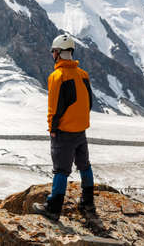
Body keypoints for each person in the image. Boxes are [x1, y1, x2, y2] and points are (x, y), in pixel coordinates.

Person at [33, 33, 95, 221]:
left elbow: (54, 107)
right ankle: (88, 202)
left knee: (61, 170)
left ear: (58, 52)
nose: (53, 54)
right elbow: (89, 102)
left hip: (64, 132)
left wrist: (52, 127)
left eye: (54, 51)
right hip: (80, 130)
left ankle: (53, 207)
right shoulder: (83, 74)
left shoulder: (57, 76)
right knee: (84, 165)